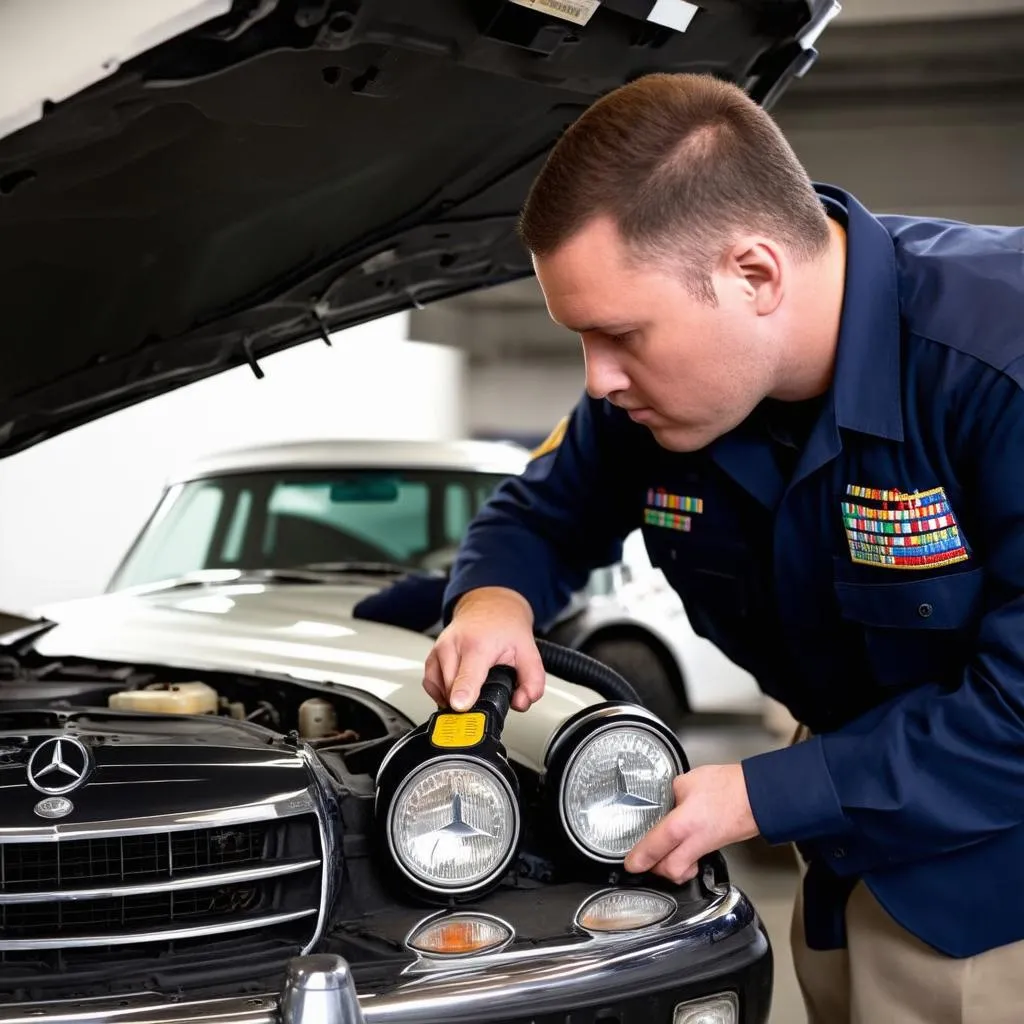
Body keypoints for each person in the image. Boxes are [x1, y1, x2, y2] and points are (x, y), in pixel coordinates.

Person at [420, 72, 1024, 1023]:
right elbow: (540, 512)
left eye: (619, 334)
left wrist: (761, 795)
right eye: (580, 338)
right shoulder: (655, 400)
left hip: (994, 897)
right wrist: (493, 600)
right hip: (843, 851)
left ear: (754, 275)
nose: (598, 379)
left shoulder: (997, 365)